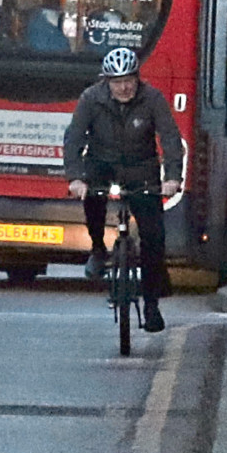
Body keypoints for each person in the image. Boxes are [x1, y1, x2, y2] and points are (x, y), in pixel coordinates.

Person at [65, 45, 184, 333]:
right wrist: (76, 178)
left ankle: (152, 304)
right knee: (93, 200)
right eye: (117, 82)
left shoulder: (152, 99)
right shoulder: (91, 99)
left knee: (153, 235)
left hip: (141, 168)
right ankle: (97, 248)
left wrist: (172, 177)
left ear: (138, 78)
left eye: (129, 80)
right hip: (101, 164)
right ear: (106, 81)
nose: (124, 87)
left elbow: (169, 138)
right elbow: (74, 139)